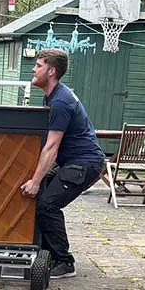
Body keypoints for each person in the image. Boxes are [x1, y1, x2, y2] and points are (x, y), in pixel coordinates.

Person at [20, 49, 106, 278]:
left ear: (51, 71)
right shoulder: (54, 95)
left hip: (85, 164)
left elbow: (51, 147)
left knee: (48, 205)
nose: (34, 69)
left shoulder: (60, 101)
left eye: (38, 65)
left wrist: (35, 181)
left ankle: (64, 262)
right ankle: (44, 253)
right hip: (72, 161)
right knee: (41, 197)